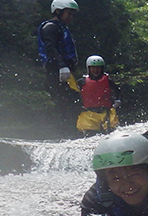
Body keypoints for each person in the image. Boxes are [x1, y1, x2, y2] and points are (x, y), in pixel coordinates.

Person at [37, 0, 82, 137]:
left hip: (65, 71)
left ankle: (70, 131)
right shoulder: (50, 27)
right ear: (58, 11)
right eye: (69, 13)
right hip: (56, 70)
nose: (71, 17)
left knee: (73, 100)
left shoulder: (62, 28)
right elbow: (50, 47)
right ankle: (60, 133)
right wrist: (61, 65)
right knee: (62, 102)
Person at [76, 55, 122, 135]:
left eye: (98, 67)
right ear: (88, 69)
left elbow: (117, 91)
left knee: (110, 133)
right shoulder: (82, 82)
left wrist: (117, 100)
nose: (96, 70)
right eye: (93, 68)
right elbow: (73, 93)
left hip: (106, 113)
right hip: (88, 115)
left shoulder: (108, 80)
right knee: (89, 135)